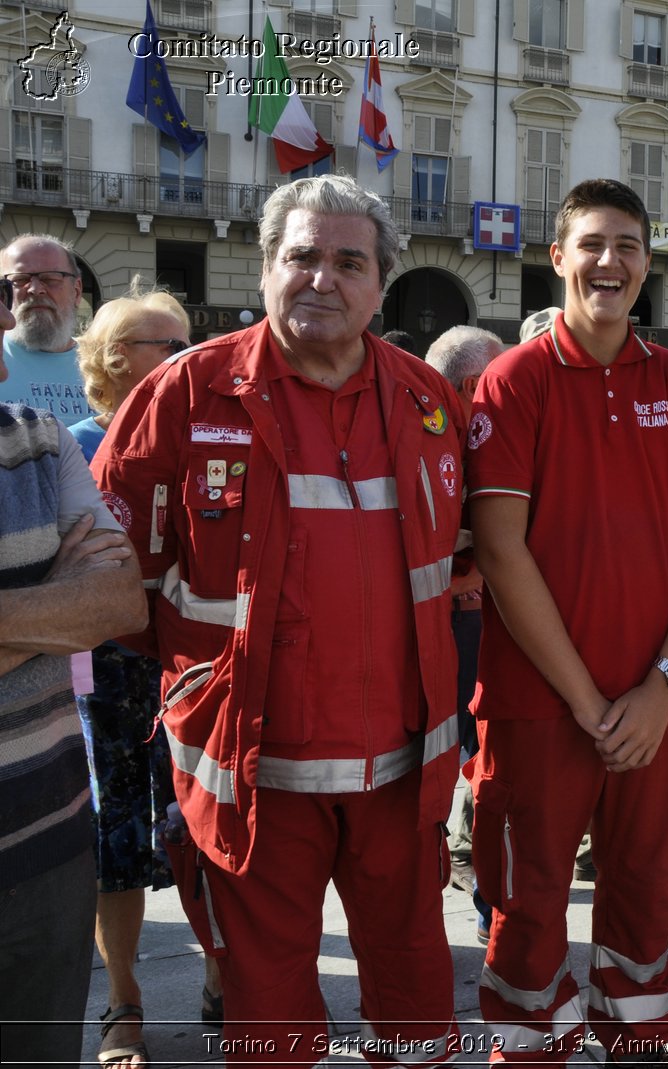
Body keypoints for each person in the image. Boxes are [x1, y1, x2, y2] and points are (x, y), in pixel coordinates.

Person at [96, 174, 466, 1065]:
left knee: (414, 1005)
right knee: (269, 1023)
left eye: (348, 261)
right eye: (300, 256)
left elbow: (468, 562)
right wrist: (201, 679)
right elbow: (116, 579)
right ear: (266, 269)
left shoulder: (430, 404)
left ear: (381, 284)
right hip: (252, 778)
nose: (321, 279)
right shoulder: (185, 393)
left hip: (401, 774)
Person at [466, 178, 668, 1066]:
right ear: (558, 257)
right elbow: (502, 551)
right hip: (542, 708)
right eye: (591, 243)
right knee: (529, 904)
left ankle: (639, 1050)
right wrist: (588, 700)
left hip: (663, 705)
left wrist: (662, 686)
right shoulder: (513, 382)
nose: (608, 261)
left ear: (647, 263)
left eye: (626, 244)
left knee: (643, 898)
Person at [72, 281, 223, 1066]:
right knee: (116, 839)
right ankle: (124, 1001)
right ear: (114, 357)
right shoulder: (68, 443)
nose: (187, 356)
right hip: (104, 673)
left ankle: (223, 983)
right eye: (167, 343)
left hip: (190, 665)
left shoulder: (210, 436)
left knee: (208, 830)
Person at [0, 277, 148, 1066]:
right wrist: (49, 599)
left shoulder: (40, 439)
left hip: (48, 839)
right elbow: (80, 610)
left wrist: (75, 598)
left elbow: (114, 600)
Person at [424, 325, 504, 940]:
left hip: (475, 620)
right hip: (446, 628)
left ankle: (486, 909)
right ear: (476, 383)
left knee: (479, 771)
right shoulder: (430, 437)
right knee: (453, 769)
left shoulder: (461, 434)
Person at [0, 233, 90, 420]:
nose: (35, 289)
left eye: (50, 279)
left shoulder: (106, 367)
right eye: (20, 279)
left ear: (77, 290)